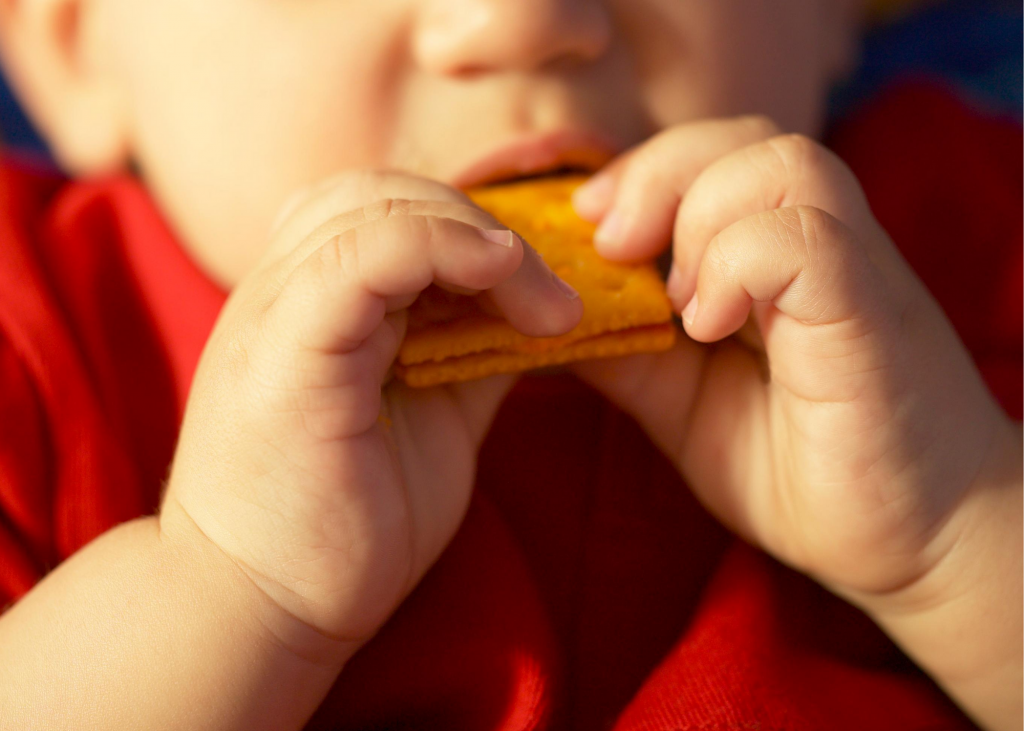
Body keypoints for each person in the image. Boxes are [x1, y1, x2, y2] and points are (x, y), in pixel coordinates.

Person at [0, 1, 1019, 729]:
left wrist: (960, 524)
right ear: (74, 41)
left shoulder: (971, 243)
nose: (525, 19)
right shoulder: (33, 331)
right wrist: (227, 582)